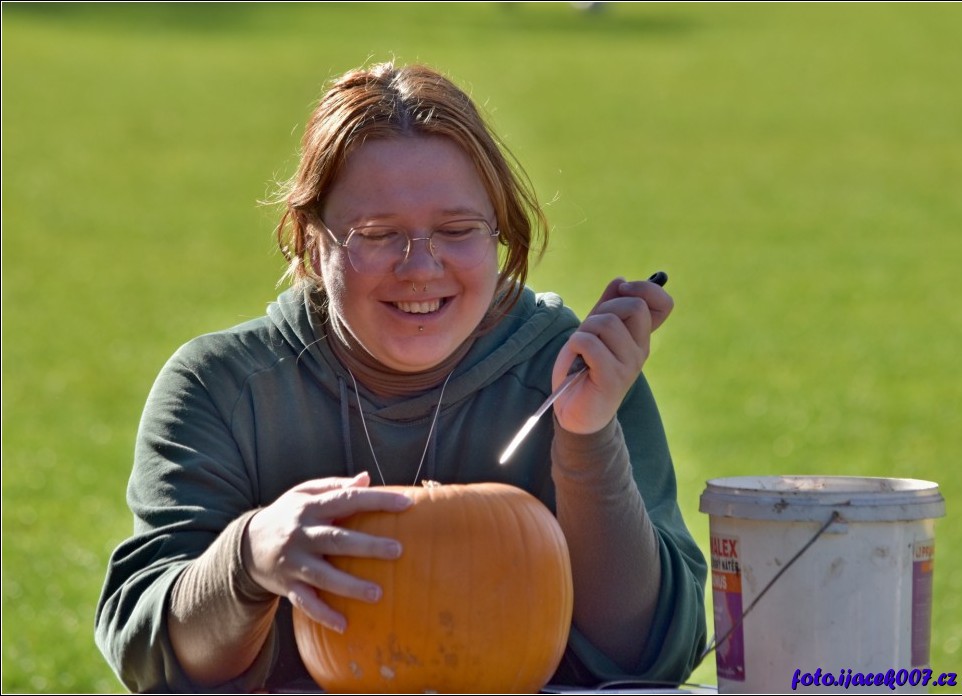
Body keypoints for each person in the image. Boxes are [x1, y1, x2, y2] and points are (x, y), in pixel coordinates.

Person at [95, 61, 708, 692]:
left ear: (499, 233)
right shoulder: (222, 388)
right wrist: (247, 560)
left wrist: (585, 439)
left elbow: (654, 661)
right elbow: (151, 663)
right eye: (378, 234)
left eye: (457, 230)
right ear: (310, 240)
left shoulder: (575, 372)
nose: (421, 267)